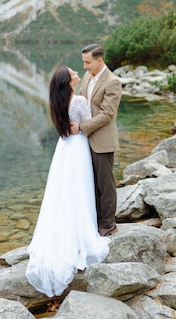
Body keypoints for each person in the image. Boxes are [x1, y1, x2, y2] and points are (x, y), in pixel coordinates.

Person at [26, 66, 110, 297]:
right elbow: (88, 124)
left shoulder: (57, 103)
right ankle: (82, 232)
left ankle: (61, 230)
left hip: (63, 148)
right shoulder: (80, 101)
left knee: (63, 191)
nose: (76, 71)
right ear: (69, 81)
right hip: (78, 149)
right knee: (79, 189)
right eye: (72, 72)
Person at [71, 43, 122, 236]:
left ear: (99, 60)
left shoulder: (112, 82)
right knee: (90, 182)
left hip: (102, 140)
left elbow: (108, 114)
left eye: (88, 62)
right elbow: (83, 103)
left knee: (105, 183)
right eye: (84, 62)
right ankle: (95, 220)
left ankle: (108, 224)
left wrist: (82, 127)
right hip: (85, 140)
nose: (85, 66)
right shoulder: (86, 77)